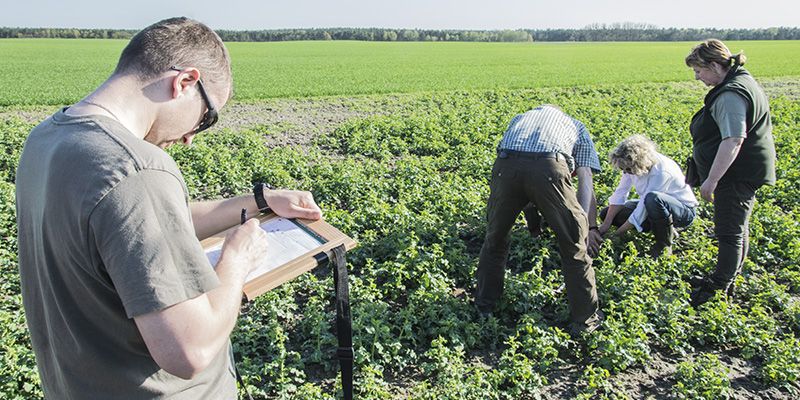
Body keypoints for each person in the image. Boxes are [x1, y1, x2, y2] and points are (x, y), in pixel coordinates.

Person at [15, 17, 323, 399]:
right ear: (185, 82)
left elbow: (137, 229)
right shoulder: (138, 169)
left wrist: (257, 202)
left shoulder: (49, 137)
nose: (192, 137)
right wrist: (236, 261)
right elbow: (188, 350)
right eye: (207, 117)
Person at [474, 104, 605, 336]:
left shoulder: (519, 118)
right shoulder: (575, 125)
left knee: (495, 239)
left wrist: (534, 223)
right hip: (549, 167)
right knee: (574, 248)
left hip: (505, 166)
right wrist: (583, 225)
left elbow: (521, 181)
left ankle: (485, 308)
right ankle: (585, 321)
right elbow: (585, 179)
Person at [684, 39, 776, 306]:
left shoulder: (730, 94)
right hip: (742, 171)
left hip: (734, 174)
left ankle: (718, 288)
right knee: (738, 228)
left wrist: (711, 180)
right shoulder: (740, 81)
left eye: (699, 70)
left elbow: (734, 139)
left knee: (729, 232)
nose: (698, 76)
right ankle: (728, 278)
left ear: (715, 65)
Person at [598, 135, 698, 257]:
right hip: (651, 205)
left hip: (683, 211)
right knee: (606, 213)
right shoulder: (629, 166)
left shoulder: (661, 171)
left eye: (628, 169)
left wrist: (616, 235)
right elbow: (621, 193)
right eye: (622, 169)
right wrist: (606, 225)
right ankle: (665, 228)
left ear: (639, 163)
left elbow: (642, 208)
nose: (625, 172)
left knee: (653, 199)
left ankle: (664, 245)